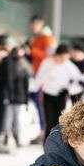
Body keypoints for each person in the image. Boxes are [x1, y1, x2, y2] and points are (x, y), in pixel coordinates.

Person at [35, 44, 83, 142]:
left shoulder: (69, 66)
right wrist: (34, 88)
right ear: (56, 55)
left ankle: (57, 143)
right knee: (49, 121)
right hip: (48, 94)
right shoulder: (47, 63)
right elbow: (39, 78)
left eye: (65, 58)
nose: (62, 61)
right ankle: (47, 143)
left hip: (61, 95)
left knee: (58, 120)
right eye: (60, 58)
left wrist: (69, 89)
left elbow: (78, 81)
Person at [0, 45, 32, 149]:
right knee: (14, 119)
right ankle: (12, 137)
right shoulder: (21, 63)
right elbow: (25, 82)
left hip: (13, 96)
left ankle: (10, 137)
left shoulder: (9, 62)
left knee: (10, 118)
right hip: (16, 96)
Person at [27, 15, 56, 143]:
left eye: (34, 24)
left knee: (43, 104)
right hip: (37, 75)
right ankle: (43, 130)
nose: (32, 27)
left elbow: (49, 56)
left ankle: (46, 132)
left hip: (45, 77)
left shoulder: (47, 38)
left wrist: (32, 50)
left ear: (40, 24)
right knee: (39, 103)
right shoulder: (37, 38)